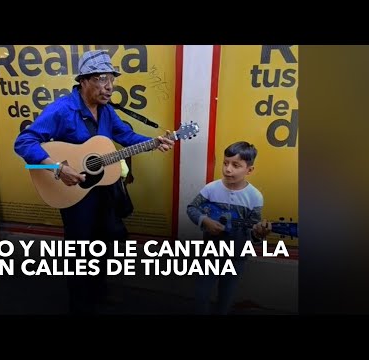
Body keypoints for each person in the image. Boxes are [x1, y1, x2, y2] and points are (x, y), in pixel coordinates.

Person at [14, 49, 174, 314]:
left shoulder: (106, 111)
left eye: (111, 79)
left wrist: (154, 142)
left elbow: (126, 136)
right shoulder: (62, 110)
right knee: (79, 252)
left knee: (102, 243)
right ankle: (79, 304)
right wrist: (56, 167)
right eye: (101, 79)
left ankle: (98, 293)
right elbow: (24, 141)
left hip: (102, 190)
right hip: (73, 193)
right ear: (84, 80)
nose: (109, 87)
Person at [186, 141, 271, 315]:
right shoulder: (211, 188)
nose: (228, 169)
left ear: (249, 170)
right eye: (225, 163)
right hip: (210, 253)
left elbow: (254, 231)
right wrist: (204, 220)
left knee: (227, 294)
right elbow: (191, 208)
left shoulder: (255, 197)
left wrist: (258, 234)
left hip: (237, 256)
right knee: (201, 293)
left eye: (235, 165)